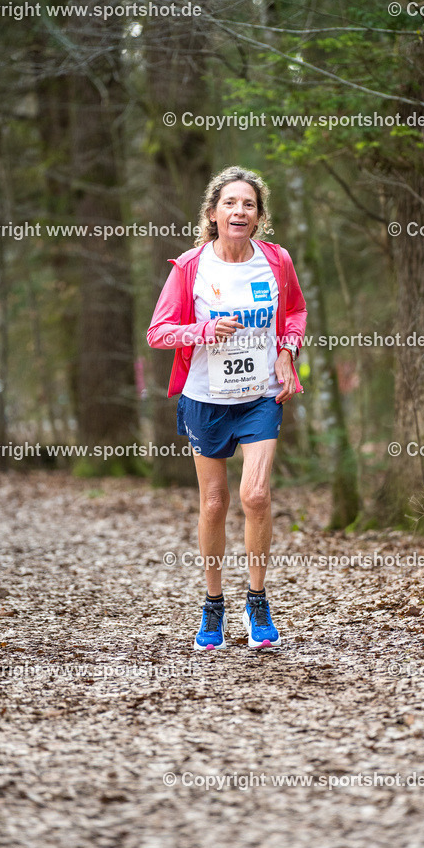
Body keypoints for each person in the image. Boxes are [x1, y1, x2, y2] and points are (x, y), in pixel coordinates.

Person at [147, 166, 307, 651]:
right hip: (206, 399)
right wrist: (200, 331)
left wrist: (286, 350)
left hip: (260, 395)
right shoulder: (191, 268)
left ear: (259, 216)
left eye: (249, 205)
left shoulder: (276, 262)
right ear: (213, 214)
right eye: (230, 204)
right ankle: (213, 607)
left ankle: (257, 600)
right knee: (214, 503)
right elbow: (158, 332)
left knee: (255, 496)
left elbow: (295, 314)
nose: (239, 211)